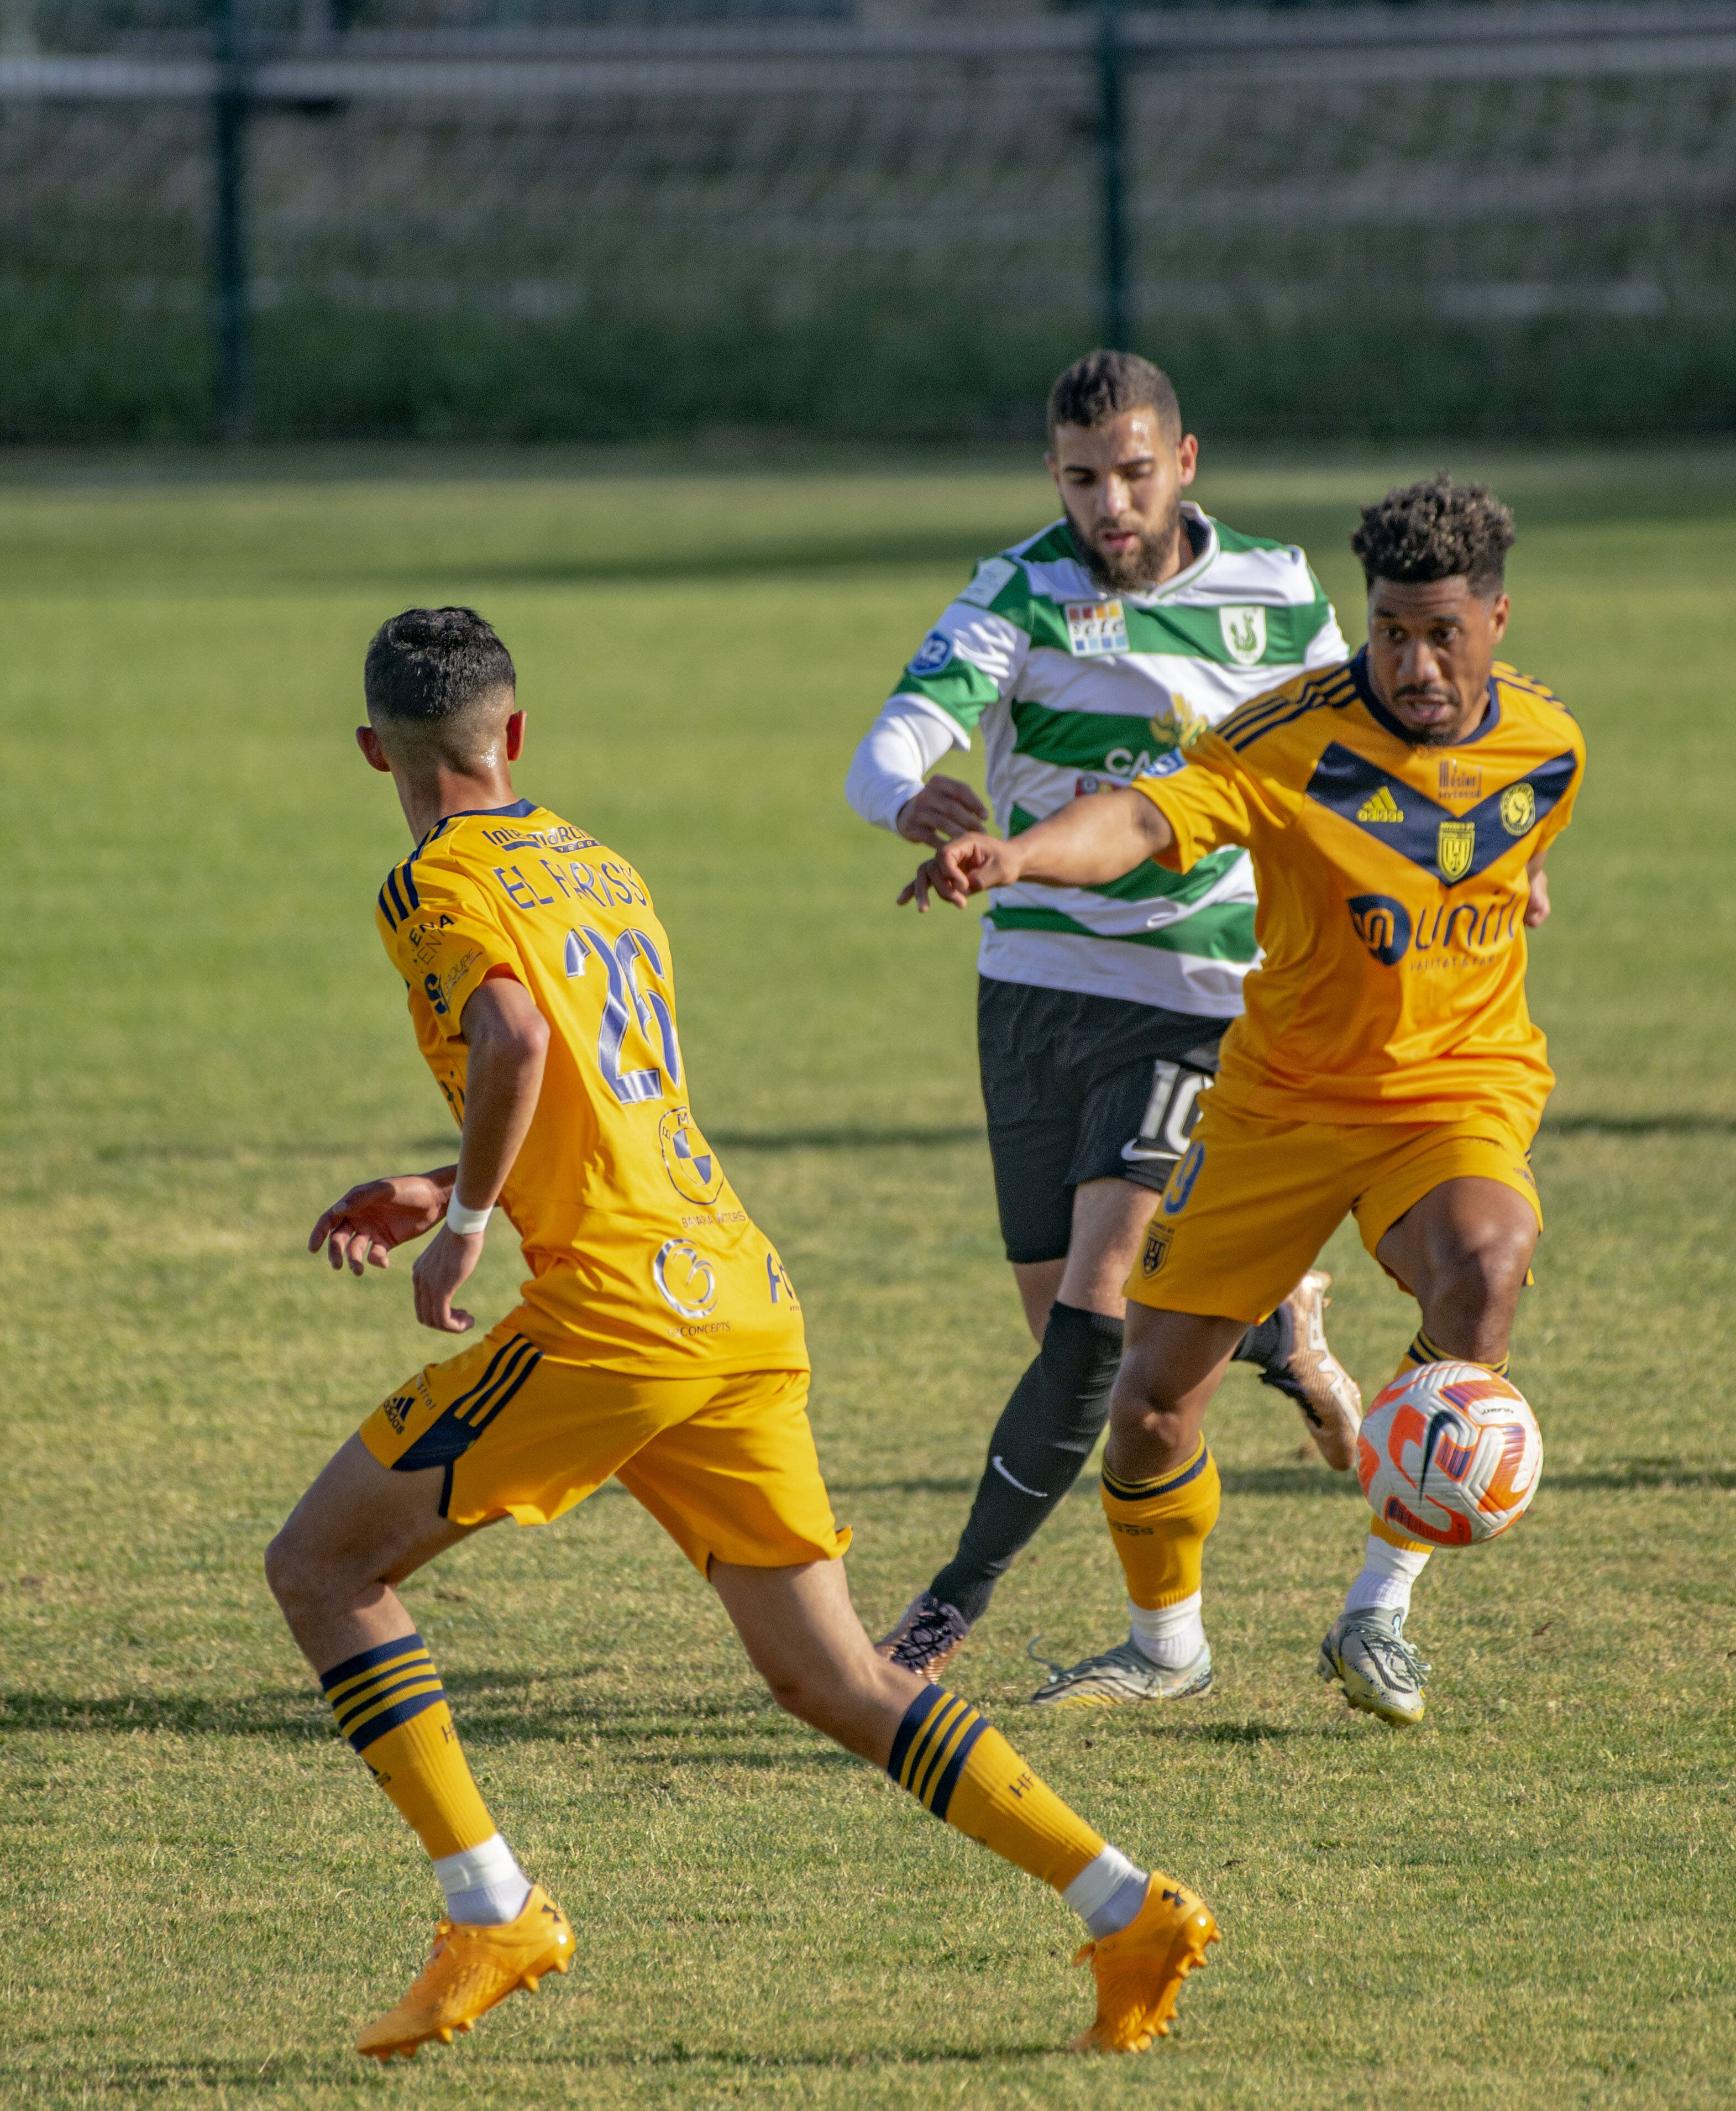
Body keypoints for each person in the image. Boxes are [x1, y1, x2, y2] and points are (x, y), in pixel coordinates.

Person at [263, 605, 1217, 2063]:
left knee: (324, 1566)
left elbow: (516, 1041)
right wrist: (444, 1178)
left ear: (370, 752)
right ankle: (1123, 1903)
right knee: (835, 1678)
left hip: (620, 1316)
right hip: (733, 1288)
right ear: (514, 734)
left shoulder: (429, 882)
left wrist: (463, 1221)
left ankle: (491, 1907)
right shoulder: (596, 861)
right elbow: (603, 1091)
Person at [901, 476, 1582, 1726]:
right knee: (1149, 1402)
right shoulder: (1287, 739)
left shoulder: (1550, 742)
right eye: (1389, 631)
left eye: (1442, 633)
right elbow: (1138, 818)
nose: (1414, 664)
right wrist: (1021, 854)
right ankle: (1166, 1645)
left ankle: (1377, 1609)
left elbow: (1515, 837)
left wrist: (1520, 879)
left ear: (1495, 618)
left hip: (1454, 1092)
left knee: (1485, 1263)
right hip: (1278, 1105)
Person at [848, 348, 1363, 1700]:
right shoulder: (1018, 588)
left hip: (1194, 990)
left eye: (1133, 473)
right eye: (1081, 478)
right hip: (1031, 988)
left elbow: (1357, 763)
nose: (1109, 505)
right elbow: (889, 740)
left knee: (1089, 1314)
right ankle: (1272, 1329)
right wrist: (910, 796)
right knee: (1083, 1338)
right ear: (1053, 474)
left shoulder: (1276, 589)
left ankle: (941, 1611)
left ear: (1182, 462)